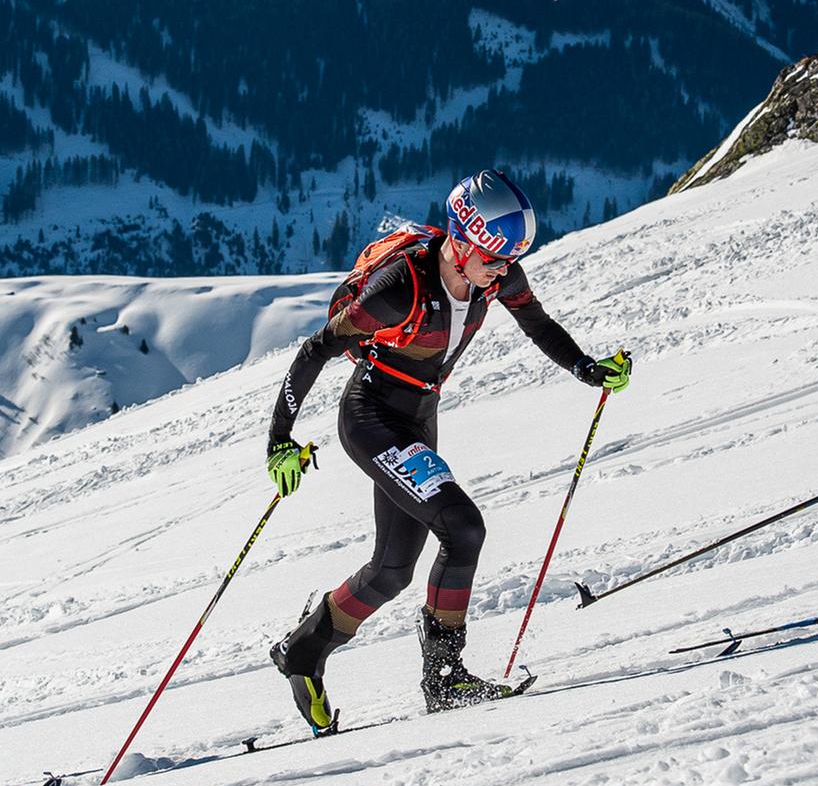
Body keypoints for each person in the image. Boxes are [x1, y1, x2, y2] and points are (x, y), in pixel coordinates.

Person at [265, 169, 631, 726]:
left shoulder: (495, 274)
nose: (503, 270)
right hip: (372, 418)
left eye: (511, 259)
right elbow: (317, 349)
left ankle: (303, 652)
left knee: (392, 569)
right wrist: (279, 442)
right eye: (493, 256)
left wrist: (586, 368)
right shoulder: (398, 289)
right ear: (461, 240)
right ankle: (445, 679)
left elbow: (537, 324)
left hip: (417, 419)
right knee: (463, 529)